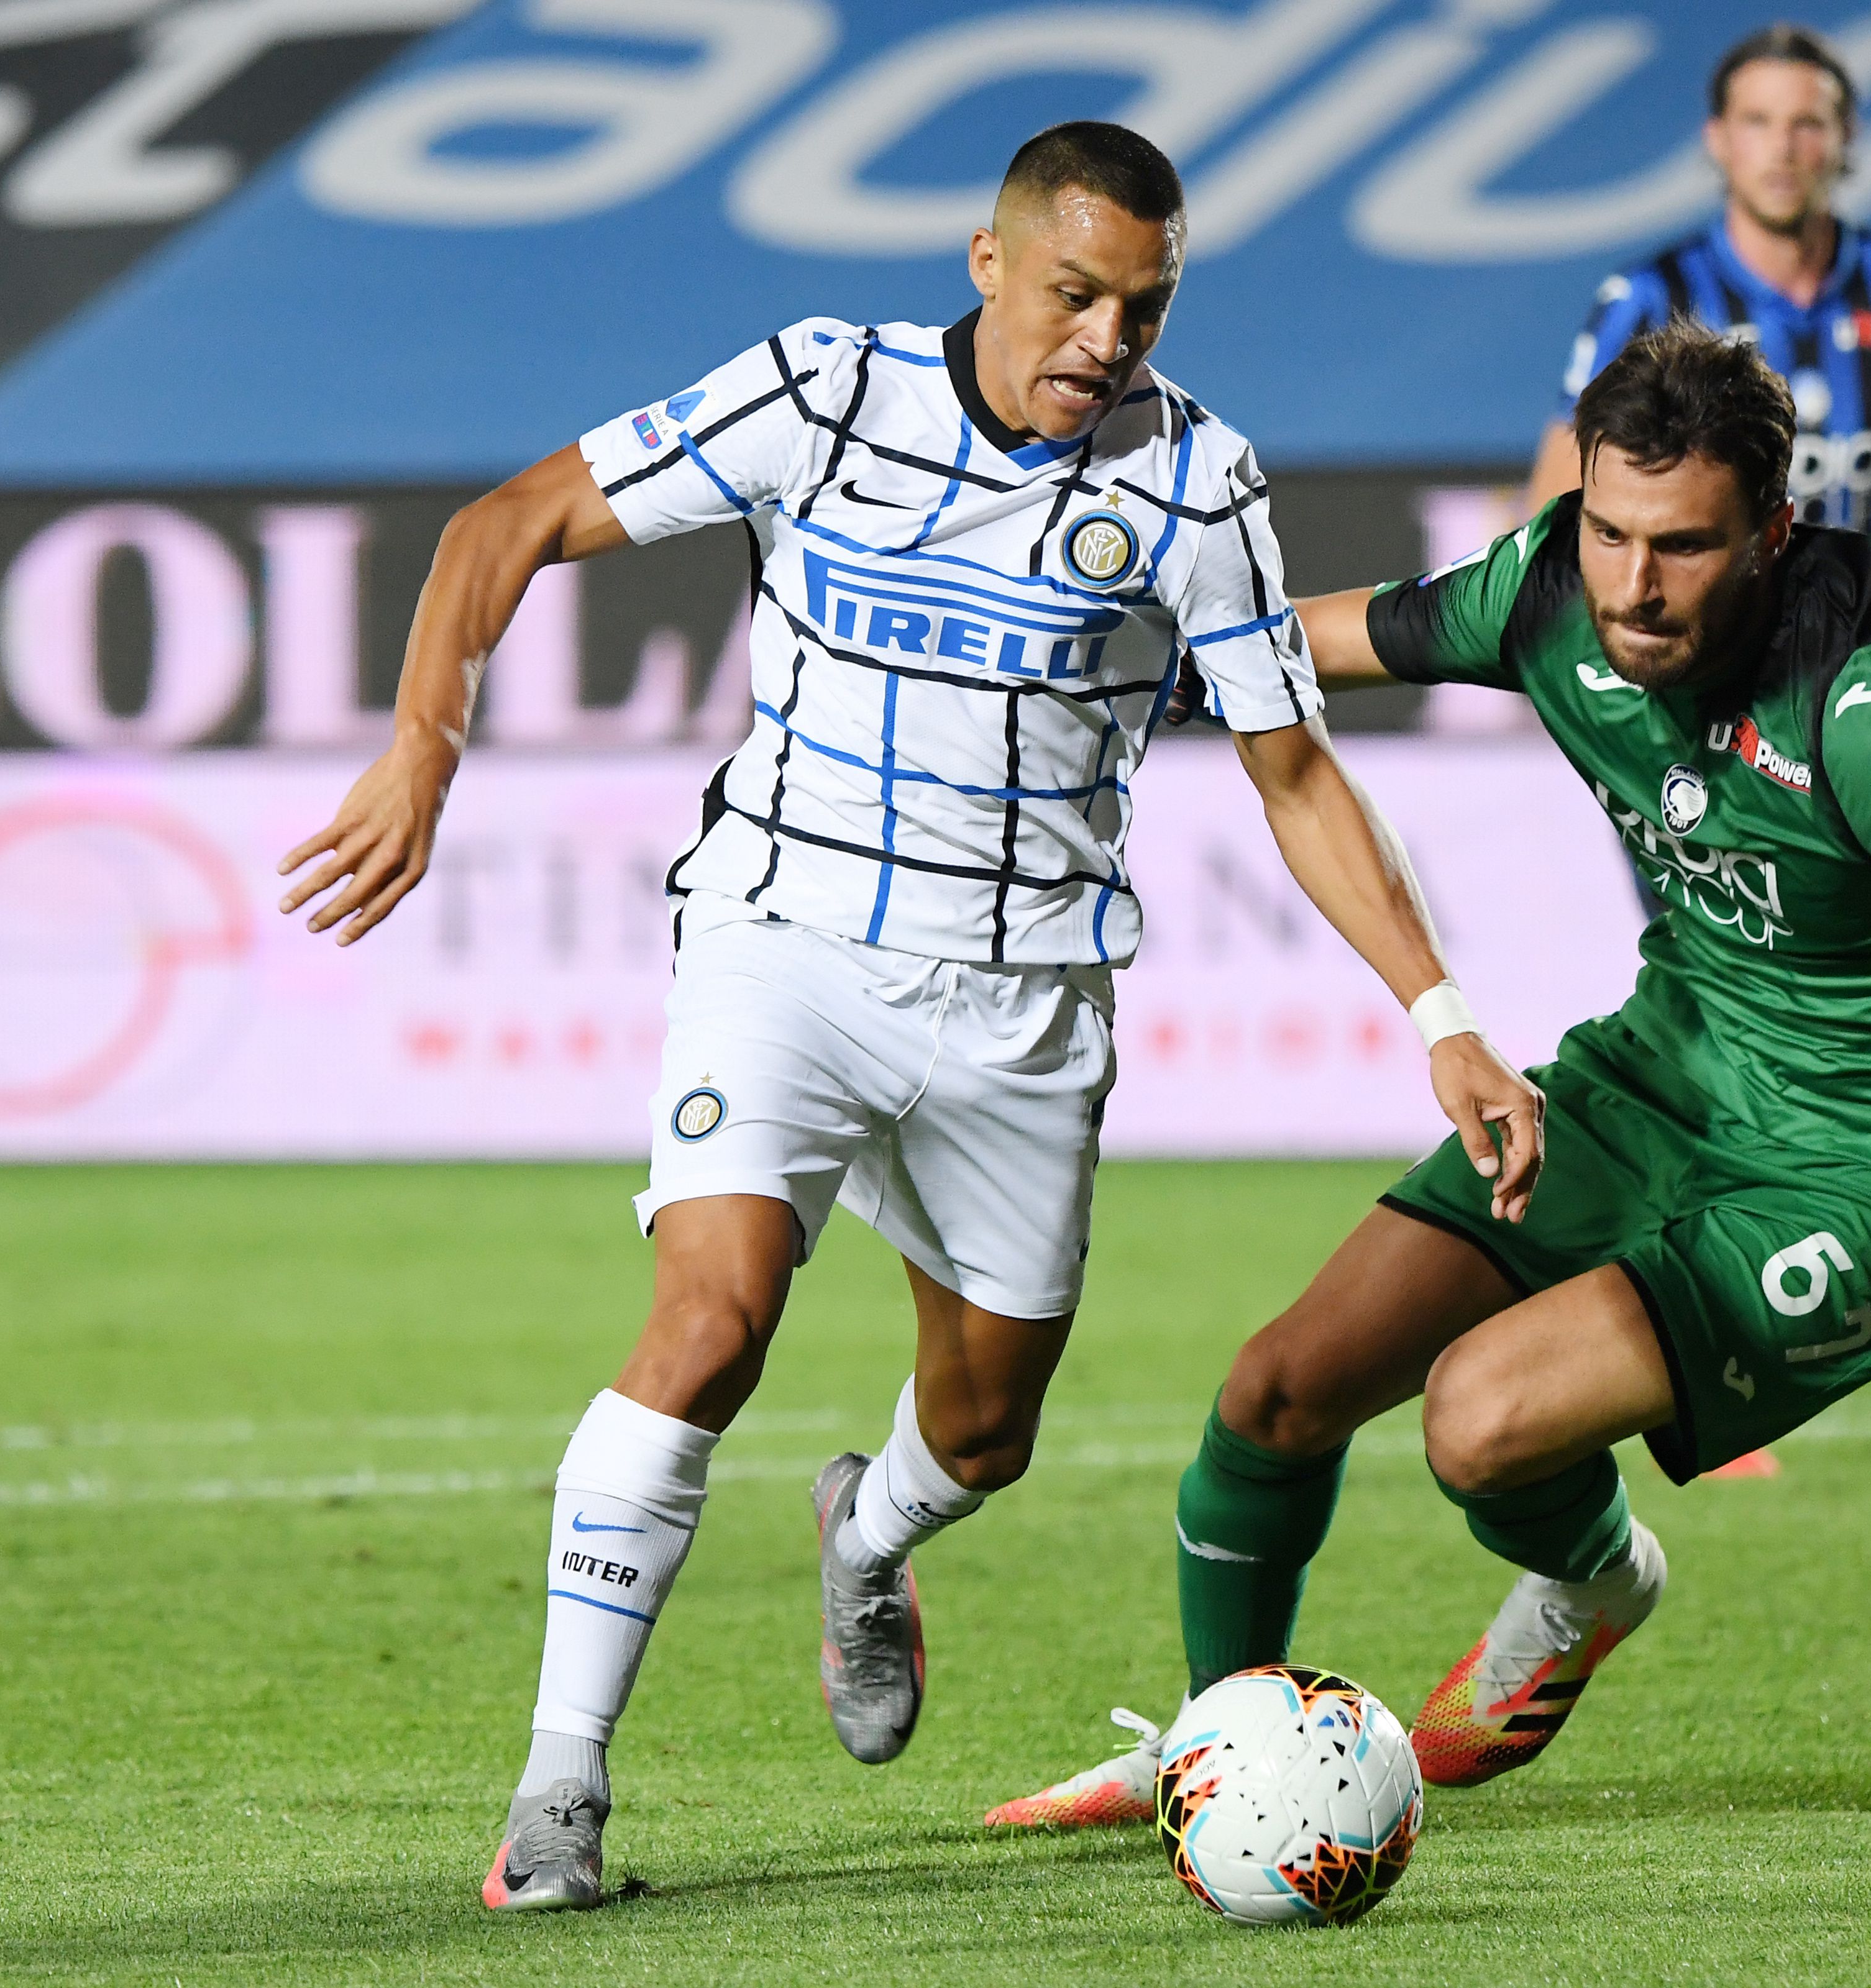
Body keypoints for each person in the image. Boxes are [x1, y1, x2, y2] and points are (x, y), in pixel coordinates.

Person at [277, 121, 1543, 1912]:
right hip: (779, 941)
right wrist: (424, 743)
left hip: (1024, 1004)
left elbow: (1296, 774)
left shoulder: (1199, 487)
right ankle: (556, 1800)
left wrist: (1443, 1013)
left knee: (987, 1430)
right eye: (1074, 293)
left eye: (1145, 307)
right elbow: (513, 522)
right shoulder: (821, 393)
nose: (1104, 339)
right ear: (987, 262)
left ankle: (868, 1533)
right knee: (710, 1325)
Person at [986, 320, 1871, 1828]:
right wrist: (1059, 672)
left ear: (1771, 531)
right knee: (1273, 1395)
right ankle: (1218, 1751)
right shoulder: (1548, 589)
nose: (1629, 584)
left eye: (1680, 546)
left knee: (1476, 1419)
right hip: (1675, 1065)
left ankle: (1593, 1580)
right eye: (1609, 530)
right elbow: (1279, 655)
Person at [1526, 22, 1871, 655]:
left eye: (1807, 124)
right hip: (1700, 666)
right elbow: (1564, 482)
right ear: (1717, 140)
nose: (1782, 149)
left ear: (1848, 138)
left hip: (1855, 650)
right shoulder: (1651, 299)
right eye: (1757, 122)